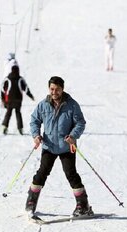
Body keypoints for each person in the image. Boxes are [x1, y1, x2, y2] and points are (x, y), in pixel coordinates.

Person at [25, 76, 93, 217]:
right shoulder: (43, 105)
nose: (54, 92)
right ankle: (31, 202)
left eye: (57, 89)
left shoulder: (72, 105)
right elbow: (34, 121)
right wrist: (36, 135)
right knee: (41, 173)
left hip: (66, 147)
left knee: (71, 174)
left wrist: (73, 136)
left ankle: (83, 205)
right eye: (51, 89)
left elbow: (80, 123)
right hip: (49, 146)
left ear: (62, 89)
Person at [1, 65, 34, 135]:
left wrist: (3, 99)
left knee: (8, 113)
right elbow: (26, 89)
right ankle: (20, 128)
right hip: (18, 100)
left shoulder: (8, 79)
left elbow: (3, 90)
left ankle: (4, 127)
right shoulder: (20, 79)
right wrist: (31, 96)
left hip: (9, 100)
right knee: (18, 113)